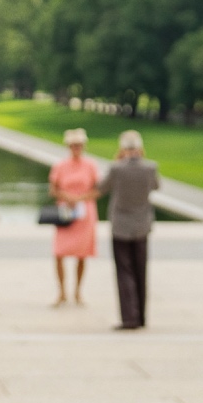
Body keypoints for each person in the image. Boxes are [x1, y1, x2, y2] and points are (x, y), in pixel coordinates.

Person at [103, 130, 160, 328]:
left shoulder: (116, 168)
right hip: (142, 226)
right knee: (140, 271)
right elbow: (155, 186)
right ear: (140, 148)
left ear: (122, 149)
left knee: (124, 271)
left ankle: (129, 317)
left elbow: (102, 187)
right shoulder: (150, 168)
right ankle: (141, 316)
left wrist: (118, 161)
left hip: (121, 226)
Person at [49, 129, 100, 306]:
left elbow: (97, 189)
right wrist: (66, 196)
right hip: (66, 212)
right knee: (59, 252)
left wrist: (81, 198)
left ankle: (78, 292)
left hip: (84, 213)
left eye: (79, 145)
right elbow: (53, 189)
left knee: (82, 254)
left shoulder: (90, 165)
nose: (76, 148)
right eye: (73, 145)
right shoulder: (61, 165)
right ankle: (62, 292)